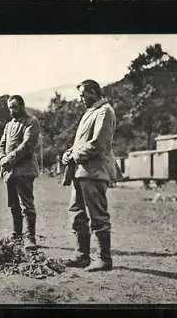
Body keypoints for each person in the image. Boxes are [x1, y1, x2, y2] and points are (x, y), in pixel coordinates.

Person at [61, 79, 119, 272]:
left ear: (94, 92)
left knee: (98, 216)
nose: (81, 100)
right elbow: (82, 142)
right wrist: (69, 153)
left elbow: (98, 143)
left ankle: (104, 259)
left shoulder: (105, 111)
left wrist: (75, 156)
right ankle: (82, 255)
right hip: (81, 171)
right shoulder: (90, 112)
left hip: (94, 172)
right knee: (77, 213)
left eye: (83, 95)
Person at [0, 95, 41, 250]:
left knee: (26, 205)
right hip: (9, 171)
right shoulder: (9, 125)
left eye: (14, 107)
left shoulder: (31, 122)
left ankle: (30, 238)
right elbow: (0, 145)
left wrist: (10, 159)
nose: (12, 111)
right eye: (9, 108)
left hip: (24, 171)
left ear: (22, 106)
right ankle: (17, 235)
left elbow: (27, 145)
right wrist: (2, 159)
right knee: (13, 204)